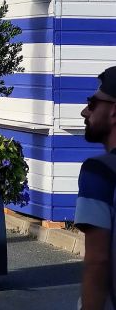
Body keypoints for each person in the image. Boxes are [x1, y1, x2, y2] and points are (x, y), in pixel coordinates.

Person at [75, 66, 116, 310]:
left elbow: (97, 261)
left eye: (92, 103)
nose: (84, 111)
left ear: (113, 112)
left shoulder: (98, 172)